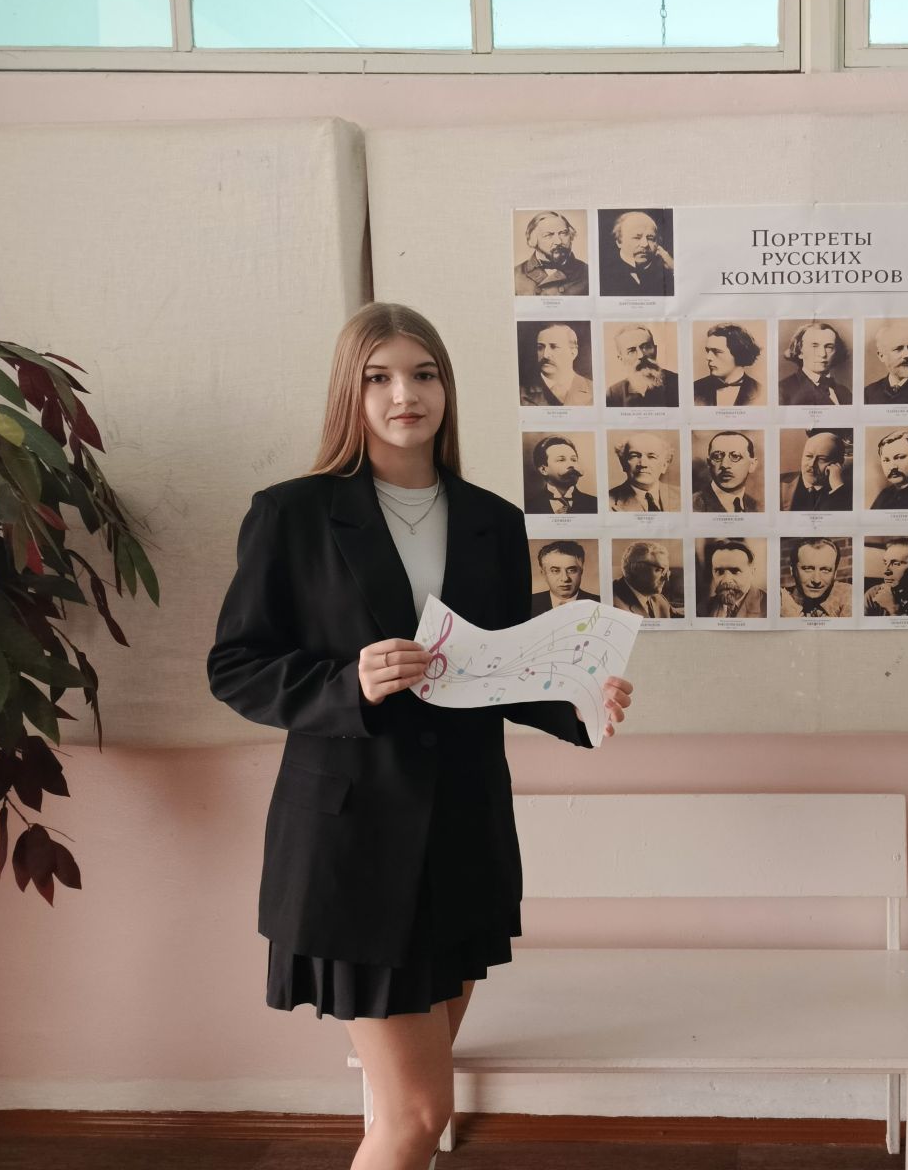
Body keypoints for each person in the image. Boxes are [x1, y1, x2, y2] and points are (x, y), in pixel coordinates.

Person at [207, 303, 632, 1170]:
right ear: (351, 392)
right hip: (353, 848)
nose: (406, 394)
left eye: (424, 374)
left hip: (466, 839)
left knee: (406, 1114)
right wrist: (348, 684)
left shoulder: (491, 519)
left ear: (447, 387)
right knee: (419, 1113)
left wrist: (582, 700)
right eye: (380, 377)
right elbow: (236, 666)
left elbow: (498, 668)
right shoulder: (292, 513)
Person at [599, 209, 674, 296]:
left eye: (650, 238)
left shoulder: (669, 273)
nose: (645, 244)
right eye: (637, 237)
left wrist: (673, 268)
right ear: (619, 241)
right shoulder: (603, 275)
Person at [513, 210, 589, 297]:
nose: (558, 241)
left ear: (570, 236)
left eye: (563, 233)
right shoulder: (515, 275)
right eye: (548, 235)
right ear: (533, 240)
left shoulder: (587, 272)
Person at [520, 322, 594, 408]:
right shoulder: (520, 393)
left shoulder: (594, 390)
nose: (545, 355)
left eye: (554, 347)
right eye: (540, 347)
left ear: (573, 352)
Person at [605, 324, 680, 408]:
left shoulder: (678, 383)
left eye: (646, 347)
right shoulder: (613, 395)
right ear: (621, 359)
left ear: (655, 350)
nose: (641, 355)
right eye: (631, 351)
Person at [778, 321, 852, 406]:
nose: (822, 354)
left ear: (836, 352)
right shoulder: (782, 390)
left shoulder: (845, 392)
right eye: (814, 346)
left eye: (829, 347)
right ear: (800, 352)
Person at [523, 435, 597, 515]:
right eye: (561, 460)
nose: (571, 464)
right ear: (543, 470)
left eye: (573, 459)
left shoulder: (595, 504)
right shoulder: (528, 507)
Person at [693, 323, 764, 407]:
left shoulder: (761, 392)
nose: (708, 357)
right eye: (708, 351)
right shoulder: (694, 389)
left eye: (716, 351)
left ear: (739, 354)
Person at [780, 429, 852, 511]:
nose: (811, 464)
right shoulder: (779, 483)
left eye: (822, 459)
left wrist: (838, 489)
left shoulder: (847, 492)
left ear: (839, 463)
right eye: (809, 456)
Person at [607, 432, 680, 512]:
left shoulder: (684, 496)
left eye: (651, 457)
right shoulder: (605, 502)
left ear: (665, 465)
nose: (643, 464)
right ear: (623, 463)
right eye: (634, 456)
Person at [863, 537, 908, 617]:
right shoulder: (874, 594)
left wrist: (894, 610)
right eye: (885, 563)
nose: (886, 571)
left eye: (896, 564)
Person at [780, 537, 851, 618]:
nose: (816, 580)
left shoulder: (847, 595)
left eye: (825, 570)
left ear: (835, 573)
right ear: (793, 570)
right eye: (808, 569)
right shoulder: (780, 600)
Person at [692, 430, 761, 513]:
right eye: (717, 456)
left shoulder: (758, 507)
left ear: (752, 465)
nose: (724, 465)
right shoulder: (693, 506)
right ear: (709, 463)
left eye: (735, 456)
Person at [529, 540, 600, 616]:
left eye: (571, 570)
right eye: (555, 571)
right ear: (543, 573)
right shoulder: (529, 603)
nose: (565, 578)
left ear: (581, 571)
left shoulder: (600, 603)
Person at [700, 538, 766, 619]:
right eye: (719, 571)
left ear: (752, 572)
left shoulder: (769, 607)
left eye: (735, 571)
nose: (726, 579)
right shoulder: (702, 609)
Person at [612, 540, 679, 618]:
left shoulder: (658, 598)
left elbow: (675, 615)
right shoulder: (612, 605)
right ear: (635, 568)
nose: (666, 578)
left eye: (667, 572)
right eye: (659, 570)